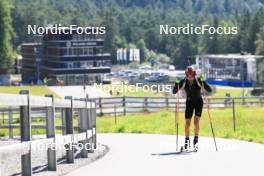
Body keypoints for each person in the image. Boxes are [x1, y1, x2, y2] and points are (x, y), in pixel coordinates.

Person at [172, 66, 212, 151]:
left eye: (192, 76)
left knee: (196, 121)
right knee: (187, 123)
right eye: (188, 76)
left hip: (198, 102)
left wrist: (203, 81)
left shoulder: (198, 80)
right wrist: (176, 83)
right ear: (186, 75)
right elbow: (174, 91)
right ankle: (187, 141)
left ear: (194, 74)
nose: (190, 78)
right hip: (189, 103)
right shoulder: (184, 81)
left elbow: (209, 90)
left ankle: (196, 140)